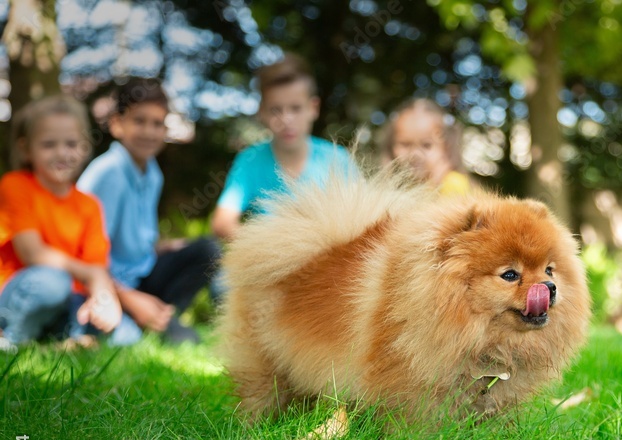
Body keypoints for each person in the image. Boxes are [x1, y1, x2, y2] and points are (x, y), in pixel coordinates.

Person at [78, 77, 219, 346]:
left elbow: (132, 243)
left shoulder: (151, 172)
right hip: (103, 285)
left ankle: (162, 318)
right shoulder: (108, 173)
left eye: (157, 124)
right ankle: (143, 320)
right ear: (117, 124)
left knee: (206, 250)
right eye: (139, 121)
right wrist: (131, 299)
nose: (149, 132)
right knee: (123, 335)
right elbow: (86, 257)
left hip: (140, 275)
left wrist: (162, 248)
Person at [0, 95, 122, 352]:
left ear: (85, 147)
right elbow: (32, 253)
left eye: (71, 144)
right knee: (51, 283)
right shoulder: (15, 186)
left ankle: (50, 342)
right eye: (48, 145)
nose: (62, 153)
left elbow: (97, 269)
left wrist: (103, 298)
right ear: (25, 149)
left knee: (121, 329)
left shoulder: (89, 205)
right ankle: (12, 338)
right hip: (23, 294)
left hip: (68, 300)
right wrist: (89, 275)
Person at [210, 53, 358, 241]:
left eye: (295, 108)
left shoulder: (338, 159)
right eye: (275, 110)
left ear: (314, 108)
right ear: (262, 112)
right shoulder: (250, 160)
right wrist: (269, 246)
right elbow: (222, 223)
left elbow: (357, 222)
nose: (286, 120)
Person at [381, 98, 472, 196]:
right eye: (405, 144)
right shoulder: (388, 188)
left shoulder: (453, 184)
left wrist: (433, 189)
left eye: (426, 145)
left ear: (446, 147)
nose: (414, 154)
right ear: (390, 145)